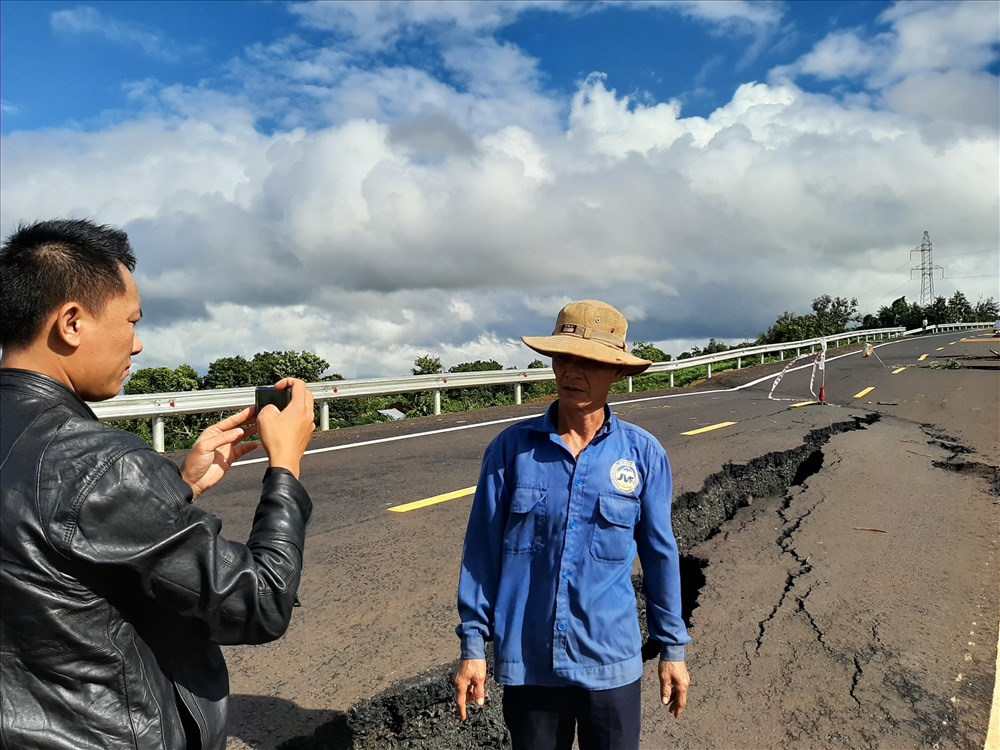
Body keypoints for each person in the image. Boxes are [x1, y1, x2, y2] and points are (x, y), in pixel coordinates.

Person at [0, 218, 316, 750]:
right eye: (131, 320)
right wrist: (285, 468)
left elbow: (55, 540)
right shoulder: (99, 462)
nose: (138, 343)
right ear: (71, 323)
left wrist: (179, 486)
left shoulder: (79, 461)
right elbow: (258, 602)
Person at [454, 300, 691, 750]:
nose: (572, 372)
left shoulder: (643, 455)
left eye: (589, 362)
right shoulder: (511, 451)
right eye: (563, 358)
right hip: (529, 664)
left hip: (611, 662)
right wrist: (472, 647)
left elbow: (661, 556)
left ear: (617, 373)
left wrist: (671, 650)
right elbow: (481, 555)